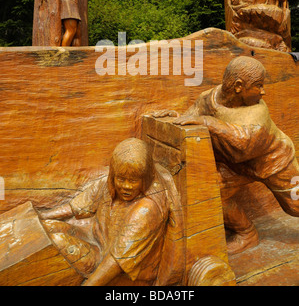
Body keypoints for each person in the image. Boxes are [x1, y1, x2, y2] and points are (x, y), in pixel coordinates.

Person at [152, 56, 299, 254]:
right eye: (258, 86)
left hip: (274, 161)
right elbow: (193, 117)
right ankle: (246, 233)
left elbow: (244, 145)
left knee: (295, 205)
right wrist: (175, 117)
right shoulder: (208, 99)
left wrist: (208, 122)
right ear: (239, 86)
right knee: (215, 192)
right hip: (236, 166)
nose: (263, 92)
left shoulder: (257, 112)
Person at [39, 138, 184, 286]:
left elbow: (116, 261)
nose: (126, 186)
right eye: (121, 179)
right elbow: (78, 205)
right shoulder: (109, 185)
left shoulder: (146, 210)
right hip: (99, 243)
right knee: (49, 227)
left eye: (133, 181)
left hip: (118, 272)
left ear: (145, 179)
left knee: (59, 242)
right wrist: (41, 216)